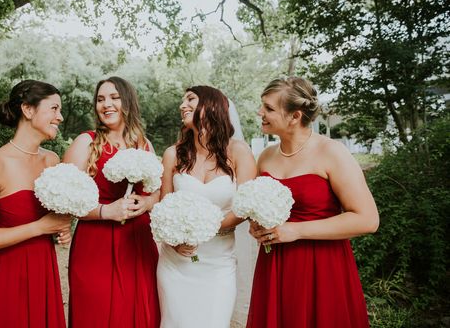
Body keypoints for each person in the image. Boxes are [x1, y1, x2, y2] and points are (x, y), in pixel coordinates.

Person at [247, 77, 379, 328]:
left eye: (269, 108)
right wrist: (256, 224)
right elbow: (258, 208)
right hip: (275, 265)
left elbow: (368, 219)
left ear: (295, 116)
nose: (260, 112)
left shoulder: (331, 152)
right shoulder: (265, 156)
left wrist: (296, 230)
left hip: (322, 266)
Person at [0, 80, 72, 327]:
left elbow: (53, 218)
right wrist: (40, 228)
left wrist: (62, 228)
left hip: (42, 271)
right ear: (28, 110)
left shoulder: (53, 161)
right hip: (4, 275)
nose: (60, 117)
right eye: (54, 109)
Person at [63, 76, 161, 328]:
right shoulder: (86, 142)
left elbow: (158, 192)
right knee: (96, 313)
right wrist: (106, 211)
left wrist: (148, 203)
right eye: (100, 99)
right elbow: (65, 202)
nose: (106, 104)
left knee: (137, 312)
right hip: (95, 244)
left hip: (137, 243)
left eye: (114, 97)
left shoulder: (144, 144)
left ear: (127, 102)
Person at [157, 86, 257, 328]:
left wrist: (204, 229)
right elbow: (163, 208)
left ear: (212, 105)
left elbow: (246, 206)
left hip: (218, 263)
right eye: (182, 101)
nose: (182, 105)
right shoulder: (173, 154)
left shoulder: (239, 152)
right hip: (176, 262)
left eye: (190, 99)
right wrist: (174, 240)